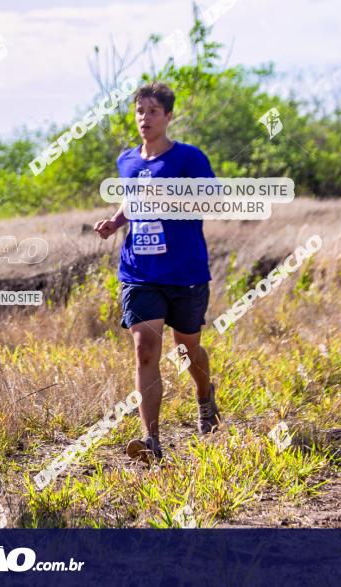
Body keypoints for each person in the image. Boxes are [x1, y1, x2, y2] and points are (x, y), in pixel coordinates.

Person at [93, 82, 221, 464]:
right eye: (139, 111)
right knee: (145, 350)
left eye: (152, 111)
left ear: (168, 116)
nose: (144, 118)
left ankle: (204, 396)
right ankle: (151, 440)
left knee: (187, 348)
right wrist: (115, 222)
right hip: (140, 272)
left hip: (185, 272)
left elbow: (211, 197)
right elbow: (129, 201)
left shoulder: (188, 158)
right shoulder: (127, 162)